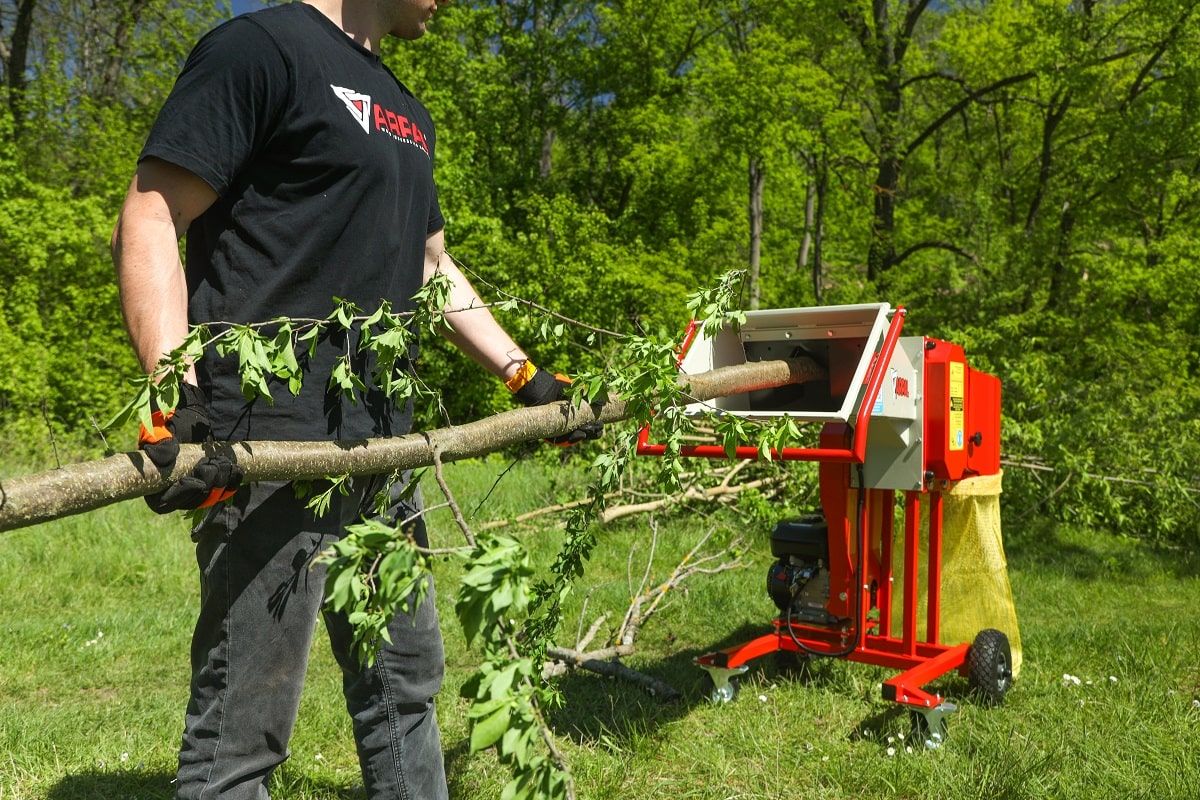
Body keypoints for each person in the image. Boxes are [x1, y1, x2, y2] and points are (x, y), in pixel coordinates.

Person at [110, 2, 597, 798]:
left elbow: (432, 269)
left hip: (383, 451)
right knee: (244, 729)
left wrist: (523, 375)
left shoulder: (406, 110)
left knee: (404, 690)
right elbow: (155, 210)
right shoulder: (260, 48)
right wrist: (177, 397)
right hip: (265, 449)